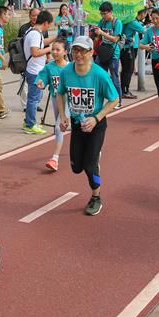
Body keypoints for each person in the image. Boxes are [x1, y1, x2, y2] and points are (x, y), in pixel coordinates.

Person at [56, 35, 119, 216]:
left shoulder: (99, 74)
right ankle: (92, 160)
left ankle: (96, 196)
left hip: (95, 125)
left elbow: (114, 99)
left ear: (91, 52)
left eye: (83, 51)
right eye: (76, 50)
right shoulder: (67, 72)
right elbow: (60, 94)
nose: (79, 54)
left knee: (90, 166)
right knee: (77, 167)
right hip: (77, 125)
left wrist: (96, 118)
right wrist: (63, 116)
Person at [36, 40, 69, 171]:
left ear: (65, 52)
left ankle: (55, 159)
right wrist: (41, 82)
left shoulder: (70, 67)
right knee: (65, 126)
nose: (54, 52)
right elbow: (42, 77)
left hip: (70, 100)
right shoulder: (49, 67)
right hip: (56, 99)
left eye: (58, 50)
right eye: (53, 49)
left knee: (58, 126)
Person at [23, 11, 54, 134]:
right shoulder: (35, 34)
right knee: (33, 99)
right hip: (35, 71)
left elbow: (42, 43)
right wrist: (51, 48)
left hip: (34, 69)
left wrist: (55, 38)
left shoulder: (33, 32)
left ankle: (28, 121)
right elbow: (35, 52)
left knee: (35, 97)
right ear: (46, 22)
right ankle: (30, 125)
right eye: (49, 25)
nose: (49, 27)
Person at [93, 2, 123, 101]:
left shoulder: (117, 23)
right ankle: (101, 98)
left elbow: (115, 39)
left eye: (105, 13)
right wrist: (95, 36)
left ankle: (118, 100)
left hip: (113, 53)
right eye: (101, 14)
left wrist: (102, 33)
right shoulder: (102, 22)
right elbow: (98, 37)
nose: (103, 16)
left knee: (114, 77)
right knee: (100, 75)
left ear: (111, 12)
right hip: (102, 51)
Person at [120, 8, 147, 99]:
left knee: (124, 70)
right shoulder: (133, 22)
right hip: (127, 48)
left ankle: (123, 90)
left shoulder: (125, 20)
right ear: (142, 13)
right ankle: (125, 91)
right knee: (129, 70)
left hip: (122, 48)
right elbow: (144, 31)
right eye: (145, 14)